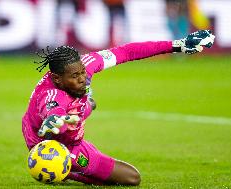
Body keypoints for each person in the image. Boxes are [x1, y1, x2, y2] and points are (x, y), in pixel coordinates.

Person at [22, 30, 215, 186]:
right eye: (75, 76)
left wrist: (176, 45)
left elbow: (127, 52)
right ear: (57, 79)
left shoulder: (87, 65)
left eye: (83, 72)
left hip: (69, 130)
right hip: (51, 144)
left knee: (86, 104)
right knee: (131, 178)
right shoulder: (51, 95)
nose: (82, 78)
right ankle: (64, 171)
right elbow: (52, 109)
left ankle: (84, 113)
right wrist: (55, 119)